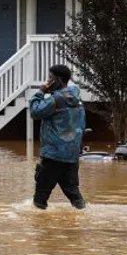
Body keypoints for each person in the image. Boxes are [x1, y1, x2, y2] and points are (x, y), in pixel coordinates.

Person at [29, 64, 87, 210]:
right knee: (74, 195)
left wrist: (40, 92)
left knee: (40, 198)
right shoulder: (77, 98)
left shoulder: (56, 99)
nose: (47, 81)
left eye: (50, 78)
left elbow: (35, 112)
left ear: (59, 80)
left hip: (53, 155)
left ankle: (39, 229)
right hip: (71, 154)